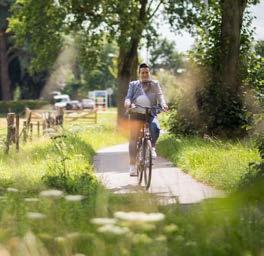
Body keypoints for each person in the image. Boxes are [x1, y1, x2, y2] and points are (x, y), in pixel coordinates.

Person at [124, 63, 168, 176]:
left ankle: (152, 146)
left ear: (149, 73)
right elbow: (128, 98)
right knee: (133, 139)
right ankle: (132, 166)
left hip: (150, 113)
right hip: (135, 114)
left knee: (156, 128)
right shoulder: (133, 84)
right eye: (142, 72)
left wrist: (163, 104)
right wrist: (128, 105)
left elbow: (160, 96)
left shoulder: (155, 84)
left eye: (146, 72)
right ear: (139, 74)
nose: (144, 74)